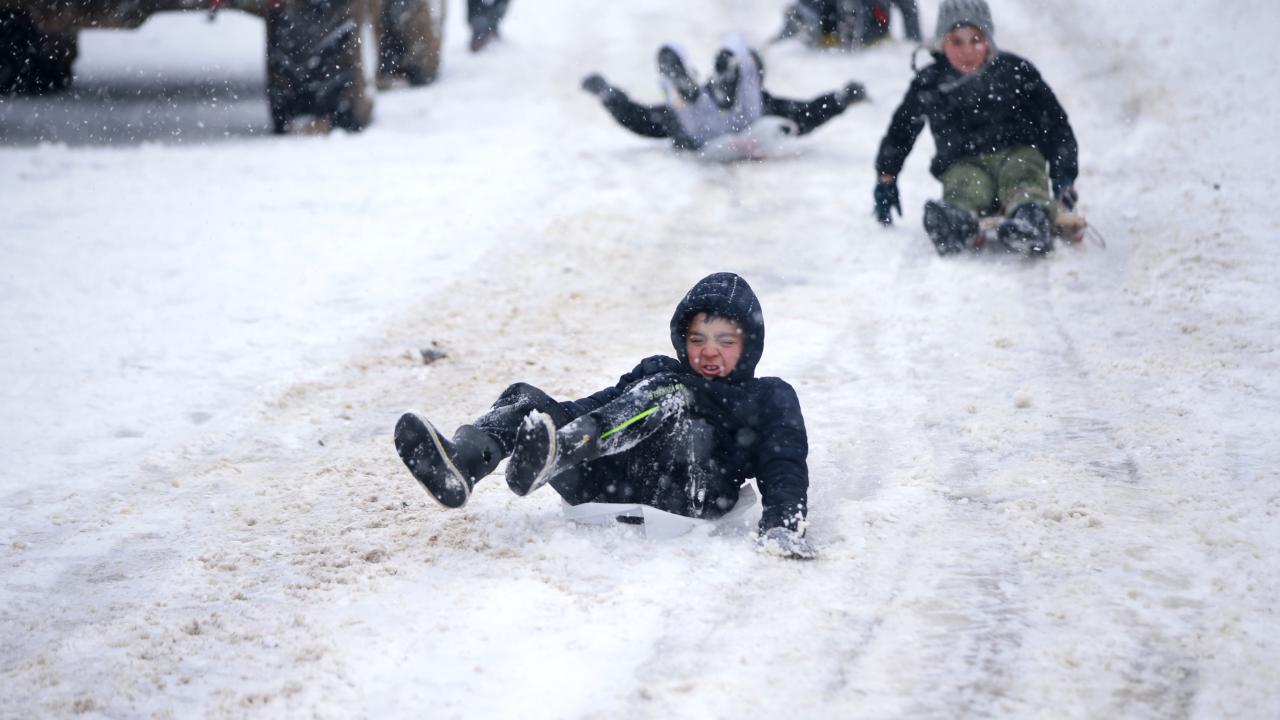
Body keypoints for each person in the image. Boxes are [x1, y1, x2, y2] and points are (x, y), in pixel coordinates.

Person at [393, 273, 817, 560]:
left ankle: (562, 452)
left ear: (750, 344)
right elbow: (591, 408)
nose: (708, 351)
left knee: (669, 393)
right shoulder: (659, 369)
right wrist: (547, 422)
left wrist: (783, 524)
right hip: (603, 486)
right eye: (697, 339)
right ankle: (460, 465)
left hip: (687, 495)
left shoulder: (768, 396)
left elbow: (785, 464)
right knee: (527, 399)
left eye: (725, 340)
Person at [872, 0, 1079, 256]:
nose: (967, 51)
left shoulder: (1015, 72)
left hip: (1016, 152)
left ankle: (1030, 218)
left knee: (1022, 176)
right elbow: (901, 130)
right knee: (964, 187)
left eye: (976, 40)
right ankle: (954, 222)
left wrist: (1064, 176)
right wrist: (886, 177)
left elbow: (1055, 123)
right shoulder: (930, 82)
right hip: (964, 162)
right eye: (956, 41)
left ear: (989, 40)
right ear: (941, 42)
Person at [581, 37, 866, 155]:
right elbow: (806, 115)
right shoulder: (769, 103)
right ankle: (728, 86)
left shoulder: (765, 102)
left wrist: (609, 95)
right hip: (743, 125)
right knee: (760, 113)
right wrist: (839, 100)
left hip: (698, 137)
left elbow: (640, 120)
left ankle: (704, 95)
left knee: (677, 116)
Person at [775, 0, 922, 50]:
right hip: (829, 32)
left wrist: (914, 40)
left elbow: (908, 7)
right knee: (806, 11)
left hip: (873, 31)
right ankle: (809, 31)